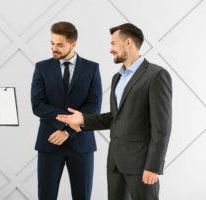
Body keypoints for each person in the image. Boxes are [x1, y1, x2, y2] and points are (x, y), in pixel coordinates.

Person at [56, 23, 172, 200]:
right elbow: (115, 118)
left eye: (113, 43)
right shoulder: (117, 77)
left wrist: (154, 166)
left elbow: (162, 127)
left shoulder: (156, 75)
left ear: (128, 43)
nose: (110, 49)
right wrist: (83, 120)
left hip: (141, 165)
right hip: (115, 163)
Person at [31, 22, 102, 200]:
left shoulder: (92, 68)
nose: (54, 48)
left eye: (60, 45)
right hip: (50, 141)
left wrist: (68, 131)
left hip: (81, 143)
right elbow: (37, 104)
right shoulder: (42, 67)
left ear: (73, 44)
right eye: (52, 43)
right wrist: (64, 125)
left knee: (82, 196)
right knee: (46, 196)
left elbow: (94, 106)